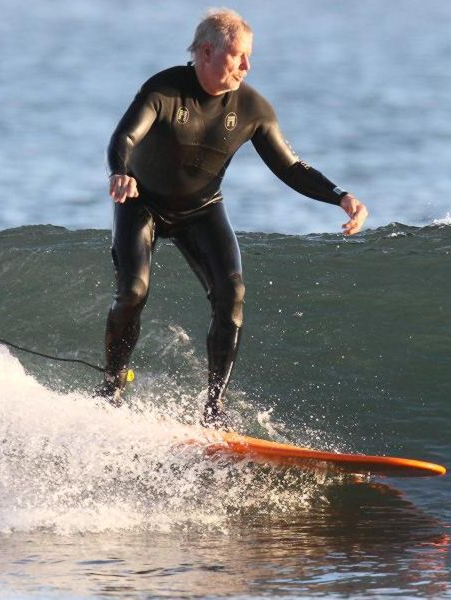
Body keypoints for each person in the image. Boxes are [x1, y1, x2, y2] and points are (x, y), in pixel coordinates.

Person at [97, 8, 368, 426]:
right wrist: (119, 173)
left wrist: (340, 196)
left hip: (201, 210)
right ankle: (112, 387)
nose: (248, 65)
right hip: (141, 202)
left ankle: (213, 408)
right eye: (239, 55)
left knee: (232, 296)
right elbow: (124, 137)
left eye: (249, 56)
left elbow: (291, 167)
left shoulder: (252, 108)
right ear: (207, 52)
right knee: (132, 292)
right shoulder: (165, 89)